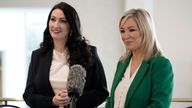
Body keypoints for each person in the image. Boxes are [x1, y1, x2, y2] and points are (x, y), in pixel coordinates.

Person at [23, 2, 109, 108]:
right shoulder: (38, 56)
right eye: (53, 19)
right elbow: (28, 95)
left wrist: (73, 99)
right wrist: (52, 101)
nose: (56, 25)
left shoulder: (89, 53)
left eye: (63, 21)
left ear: (71, 26)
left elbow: (101, 92)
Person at [105, 8, 174, 108]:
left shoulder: (161, 64)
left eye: (131, 30)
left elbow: (159, 105)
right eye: (122, 31)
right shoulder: (122, 62)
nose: (125, 36)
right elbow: (111, 100)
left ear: (146, 30)